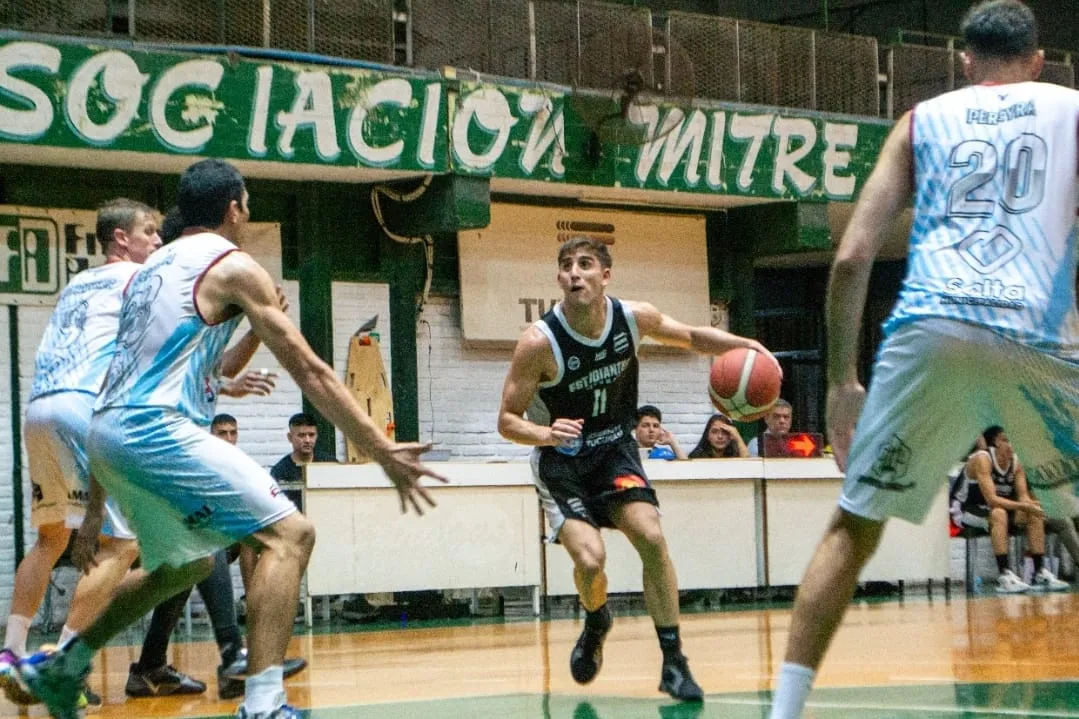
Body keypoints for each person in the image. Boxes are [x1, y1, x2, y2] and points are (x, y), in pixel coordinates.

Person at [15, 158, 447, 719]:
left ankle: (66, 661)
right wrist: (380, 446)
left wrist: (97, 504)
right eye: (246, 208)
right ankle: (263, 702)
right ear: (234, 208)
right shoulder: (232, 265)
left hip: (106, 434)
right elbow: (311, 370)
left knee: (186, 565)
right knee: (290, 534)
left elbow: (124, 377)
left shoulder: (150, 270)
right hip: (154, 429)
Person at [770, 3, 1079, 716]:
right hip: (1035, 329)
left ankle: (784, 709)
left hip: (929, 323)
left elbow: (850, 256)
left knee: (853, 526)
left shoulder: (920, 121)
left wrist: (844, 381)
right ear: (1037, 59)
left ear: (963, 62)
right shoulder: (1068, 107)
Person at [497, 235, 778, 702]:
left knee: (651, 536)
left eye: (585, 264)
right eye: (566, 265)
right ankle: (596, 618)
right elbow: (507, 420)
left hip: (614, 452)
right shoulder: (538, 343)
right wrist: (547, 434)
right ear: (559, 279)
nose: (574, 272)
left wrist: (747, 345)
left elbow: (690, 336)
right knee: (591, 560)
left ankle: (673, 660)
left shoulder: (633, 318)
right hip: (562, 463)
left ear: (605, 275)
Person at [0, 199, 162, 709]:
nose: (157, 243)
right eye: (150, 232)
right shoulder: (136, 281)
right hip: (83, 410)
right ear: (120, 239)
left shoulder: (76, 284)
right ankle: (63, 660)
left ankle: (11, 650)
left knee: (50, 538)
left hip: (40, 407)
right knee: (122, 546)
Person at [125, 413, 307, 701]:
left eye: (232, 432)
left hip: (169, 537)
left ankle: (150, 666)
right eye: (221, 432)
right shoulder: (186, 461)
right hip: (134, 537)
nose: (228, 438)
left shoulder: (227, 467)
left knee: (189, 568)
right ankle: (232, 653)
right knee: (204, 548)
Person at [952, 426, 1068, 593]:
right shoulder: (982, 459)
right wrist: (1022, 506)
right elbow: (992, 500)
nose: (1010, 445)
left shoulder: (1016, 461)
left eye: (1012, 440)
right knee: (998, 513)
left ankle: (1040, 572)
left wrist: (1030, 505)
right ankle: (1004, 576)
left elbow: (1023, 496)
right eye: (1005, 440)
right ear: (996, 443)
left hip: (997, 508)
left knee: (1032, 514)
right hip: (966, 509)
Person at [269, 412, 336, 510]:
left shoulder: (330, 464)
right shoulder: (280, 471)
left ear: (317, 436)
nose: (307, 440)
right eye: (301, 435)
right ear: (290, 437)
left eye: (311, 435)